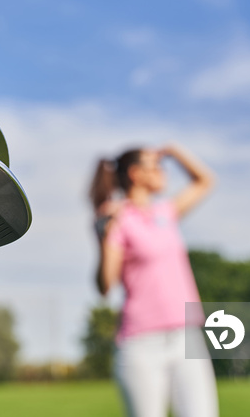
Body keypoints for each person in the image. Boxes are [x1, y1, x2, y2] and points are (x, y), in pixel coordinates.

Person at [90, 143, 218, 417]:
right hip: (141, 343)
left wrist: (174, 151)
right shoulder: (118, 218)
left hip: (186, 337)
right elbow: (105, 285)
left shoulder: (166, 212)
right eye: (156, 166)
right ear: (136, 173)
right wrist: (102, 238)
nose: (163, 172)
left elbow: (205, 181)